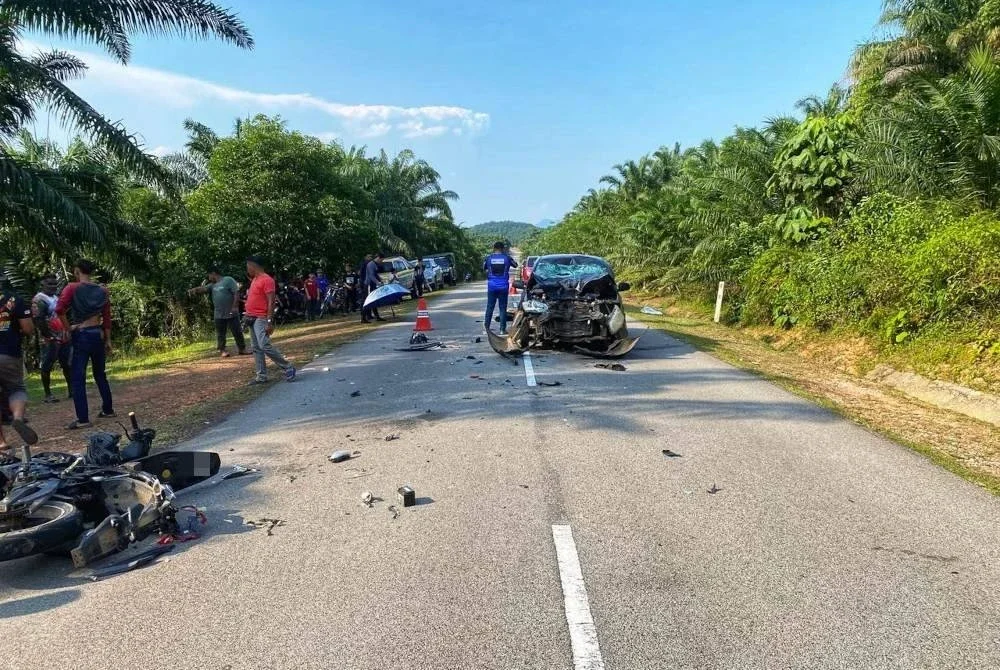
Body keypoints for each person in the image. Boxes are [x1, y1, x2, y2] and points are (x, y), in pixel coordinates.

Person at [56, 259, 114, 430]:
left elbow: (59, 309)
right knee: (100, 374)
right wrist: (108, 340)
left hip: (81, 335)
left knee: (78, 378)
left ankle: (83, 419)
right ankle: (108, 409)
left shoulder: (72, 288)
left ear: (76, 271)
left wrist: (68, 328)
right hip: (98, 334)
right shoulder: (102, 290)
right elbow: (107, 317)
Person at [244, 256, 296, 385]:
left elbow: (271, 301)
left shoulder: (267, 280)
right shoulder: (254, 279)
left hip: (261, 318)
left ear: (253, 265)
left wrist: (269, 321)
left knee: (264, 345)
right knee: (256, 348)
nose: (247, 269)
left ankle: (288, 366)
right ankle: (261, 376)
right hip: (251, 317)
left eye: (247, 266)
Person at [0, 287, 38, 451]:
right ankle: (17, 418)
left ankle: (1, 442)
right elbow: (28, 329)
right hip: (9, 353)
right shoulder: (14, 299)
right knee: (16, 388)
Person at [188, 267, 248, 358]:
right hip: (219, 314)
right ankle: (222, 350)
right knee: (220, 334)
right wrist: (194, 290)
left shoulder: (228, 280)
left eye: (209, 275)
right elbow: (203, 289)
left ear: (213, 273)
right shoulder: (212, 285)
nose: (208, 278)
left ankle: (242, 349)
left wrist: (235, 307)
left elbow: (236, 293)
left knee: (237, 331)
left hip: (231, 312)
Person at [33, 275, 71, 403]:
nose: (53, 287)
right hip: (50, 338)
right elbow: (39, 320)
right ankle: (48, 394)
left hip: (62, 335)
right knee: (47, 365)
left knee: (66, 363)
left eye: (55, 284)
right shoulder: (39, 299)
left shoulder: (55, 297)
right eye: (50, 284)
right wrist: (48, 335)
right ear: (42, 284)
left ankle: (72, 391)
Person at [483, 241, 518, 335]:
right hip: (503, 287)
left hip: (492, 286)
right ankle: (502, 330)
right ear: (502, 249)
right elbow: (515, 265)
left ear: (494, 248)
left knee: (490, 307)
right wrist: (508, 257)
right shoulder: (507, 258)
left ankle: (487, 328)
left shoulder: (489, 258)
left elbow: (483, 267)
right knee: (502, 308)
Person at [361, 253, 386, 324]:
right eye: (381, 260)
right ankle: (363, 318)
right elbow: (371, 276)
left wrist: (380, 279)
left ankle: (377, 316)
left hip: (373, 285)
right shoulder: (371, 264)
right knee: (367, 301)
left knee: (374, 300)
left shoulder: (375, 264)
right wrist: (378, 282)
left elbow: (375, 274)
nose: (381, 261)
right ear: (378, 258)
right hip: (368, 285)